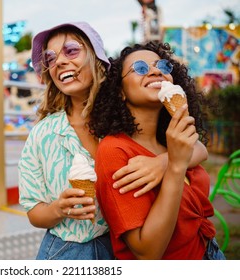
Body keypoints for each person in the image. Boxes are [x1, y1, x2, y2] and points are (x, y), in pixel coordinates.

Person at [18, 22, 208, 260]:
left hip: (122, 250)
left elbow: (198, 148)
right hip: (66, 251)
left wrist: (163, 163)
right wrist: (58, 208)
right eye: (50, 58)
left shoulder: (125, 116)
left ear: (96, 57)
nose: (60, 61)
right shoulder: (42, 134)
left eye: (71, 51)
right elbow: (33, 210)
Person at [90, 41, 225, 260]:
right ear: (120, 92)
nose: (155, 71)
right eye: (141, 68)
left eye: (163, 66)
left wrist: (162, 162)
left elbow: (200, 149)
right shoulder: (114, 150)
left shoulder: (168, 139)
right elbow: (147, 252)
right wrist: (174, 165)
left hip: (209, 252)